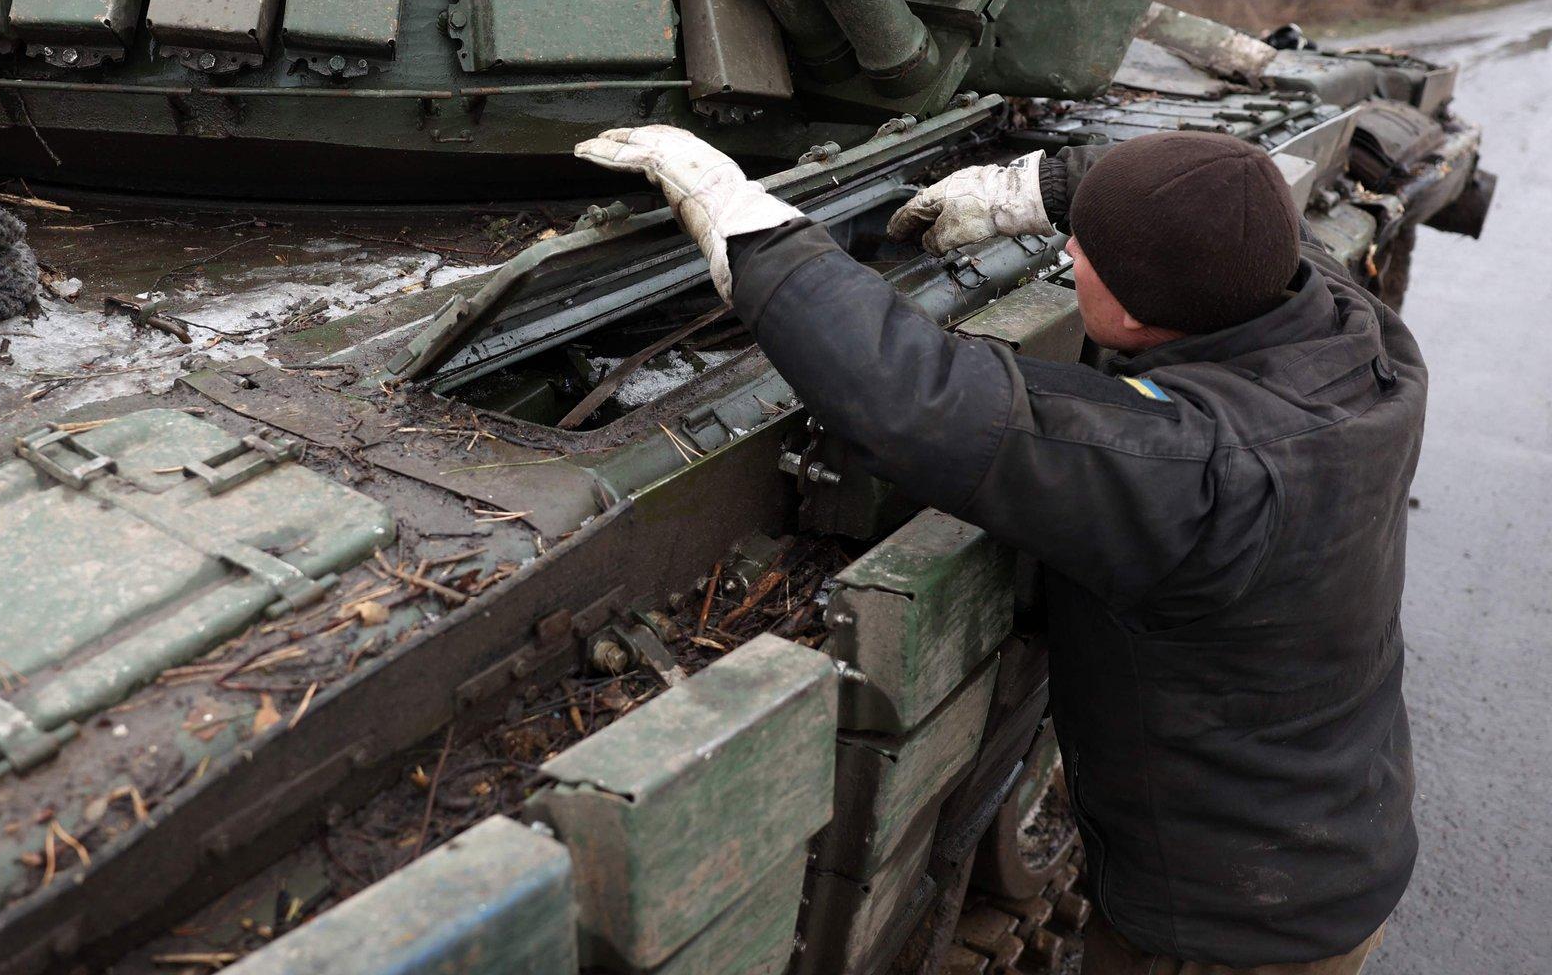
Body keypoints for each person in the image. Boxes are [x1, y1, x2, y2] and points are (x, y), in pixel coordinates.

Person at [575, 125, 1423, 975]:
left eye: (1079, 246)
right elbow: (1229, 200)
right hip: (1348, 828)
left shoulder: (1198, 476)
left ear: (1131, 315)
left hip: (1232, 926)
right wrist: (1046, 186)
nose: (1065, 247)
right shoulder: (1355, 331)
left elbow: (914, 396)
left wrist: (748, 226)